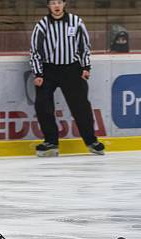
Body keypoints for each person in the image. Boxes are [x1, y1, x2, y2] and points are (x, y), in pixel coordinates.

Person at [30, 0, 105, 157]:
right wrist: (38, 73)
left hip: (71, 68)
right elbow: (35, 51)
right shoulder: (42, 25)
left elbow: (84, 46)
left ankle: (91, 141)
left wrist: (85, 67)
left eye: (59, 2)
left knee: (81, 106)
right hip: (48, 70)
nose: (56, 6)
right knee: (43, 105)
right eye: (53, 3)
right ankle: (51, 142)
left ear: (64, 4)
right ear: (48, 6)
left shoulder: (76, 22)